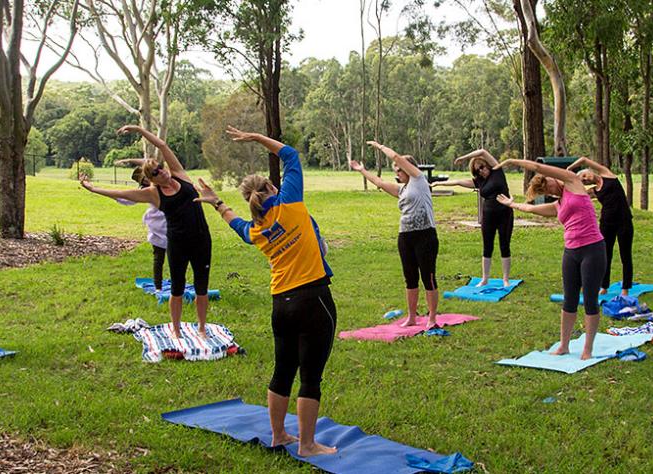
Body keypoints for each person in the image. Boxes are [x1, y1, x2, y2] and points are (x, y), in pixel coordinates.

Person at [194, 126, 337, 457]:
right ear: (273, 188)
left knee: (283, 369)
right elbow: (290, 155)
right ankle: (307, 444)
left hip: (280, 305)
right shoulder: (290, 204)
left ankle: (278, 435)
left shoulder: (258, 230)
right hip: (313, 299)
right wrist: (258, 138)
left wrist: (217, 203)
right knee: (311, 375)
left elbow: (236, 225)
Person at [81, 125, 212, 338]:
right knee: (177, 288)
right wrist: (93, 189)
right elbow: (121, 193)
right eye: (156, 173)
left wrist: (139, 130)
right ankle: (176, 331)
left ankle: (202, 328)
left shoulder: (179, 174)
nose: (162, 172)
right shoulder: (153, 194)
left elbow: (161, 144)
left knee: (201, 286)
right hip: (178, 243)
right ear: (151, 179)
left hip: (201, 240)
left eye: (160, 167)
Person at [494, 158, 605, 360]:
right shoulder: (558, 204)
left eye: (548, 187)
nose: (550, 192)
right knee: (569, 299)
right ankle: (564, 345)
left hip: (592, 249)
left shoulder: (573, 182)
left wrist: (510, 161)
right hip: (571, 252)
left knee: (590, 300)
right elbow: (531, 209)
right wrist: (513, 204)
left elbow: (537, 167)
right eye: (545, 193)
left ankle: (588, 349)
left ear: (553, 177)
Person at [349, 141, 440, 328]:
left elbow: (397, 157)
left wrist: (380, 147)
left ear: (410, 168)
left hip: (425, 236)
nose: (397, 172)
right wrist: (361, 170)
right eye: (395, 170)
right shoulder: (403, 189)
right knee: (410, 277)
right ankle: (412, 317)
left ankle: (431, 318)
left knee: (428, 277)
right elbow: (379, 183)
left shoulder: (419, 180)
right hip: (406, 237)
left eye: (399, 169)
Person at [431, 149, 513, 286]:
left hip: (505, 214)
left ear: (486, 164)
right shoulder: (479, 182)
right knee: (487, 246)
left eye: (481, 167)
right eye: (477, 171)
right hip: (488, 216)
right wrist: (439, 184)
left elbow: (482, 151)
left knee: (504, 245)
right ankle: (485, 278)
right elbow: (458, 182)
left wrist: (463, 157)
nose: (481, 171)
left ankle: (505, 279)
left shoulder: (497, 171)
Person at [568, 156, 634, 297]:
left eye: (585, 175)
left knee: (625, 255)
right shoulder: (593, 190)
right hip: (606, 224)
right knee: (605, 255)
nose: (586, 178)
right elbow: (574, 194)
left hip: (624, 221)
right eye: (584, 180)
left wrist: (569, 169)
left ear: (590, 171)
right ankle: (604, 286)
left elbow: (584, 159)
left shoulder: (607, 174)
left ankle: (625, 288)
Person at [113, 161, 170, 292]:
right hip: (158, 230)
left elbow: (152, 161)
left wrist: (129, 161)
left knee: (177, 258)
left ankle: (176, 283)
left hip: (173, 228)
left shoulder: (167, 184)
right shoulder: (147, 192)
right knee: (159, 258)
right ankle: (158, 287)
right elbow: (126, 198)